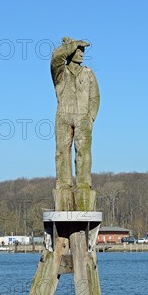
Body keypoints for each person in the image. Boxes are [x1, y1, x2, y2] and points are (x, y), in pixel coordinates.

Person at [51, 37, 100, 190]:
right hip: (63, 115)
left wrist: (90, 117)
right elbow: (56, 58)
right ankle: (64, 183)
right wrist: (71, 45)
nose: (81, 53)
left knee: (83, 151)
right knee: (62, 151)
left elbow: (95, 97)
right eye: (78, 50)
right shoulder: (60, 71)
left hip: (83, 116)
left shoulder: (88, 73)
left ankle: (84, 183)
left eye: (82, 50)